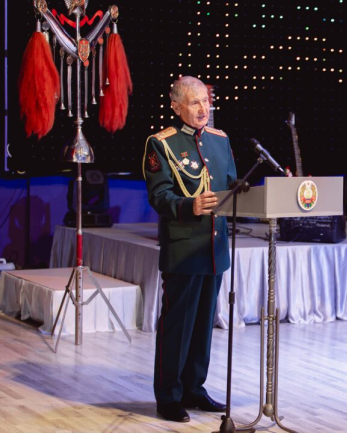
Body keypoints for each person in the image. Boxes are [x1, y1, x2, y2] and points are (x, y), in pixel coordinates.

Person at [143, 76, 237, 422]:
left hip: (214, 249)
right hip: (183, 250)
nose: (203, 108)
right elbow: (159, 195)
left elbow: (233, 186)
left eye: (206, 101)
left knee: (202, 326)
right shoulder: (161, 143)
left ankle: (194, 389)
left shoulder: (220, 140)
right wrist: (189, 206)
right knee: (177, 327)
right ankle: (169, 396)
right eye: (195, 102)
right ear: (176, 106)